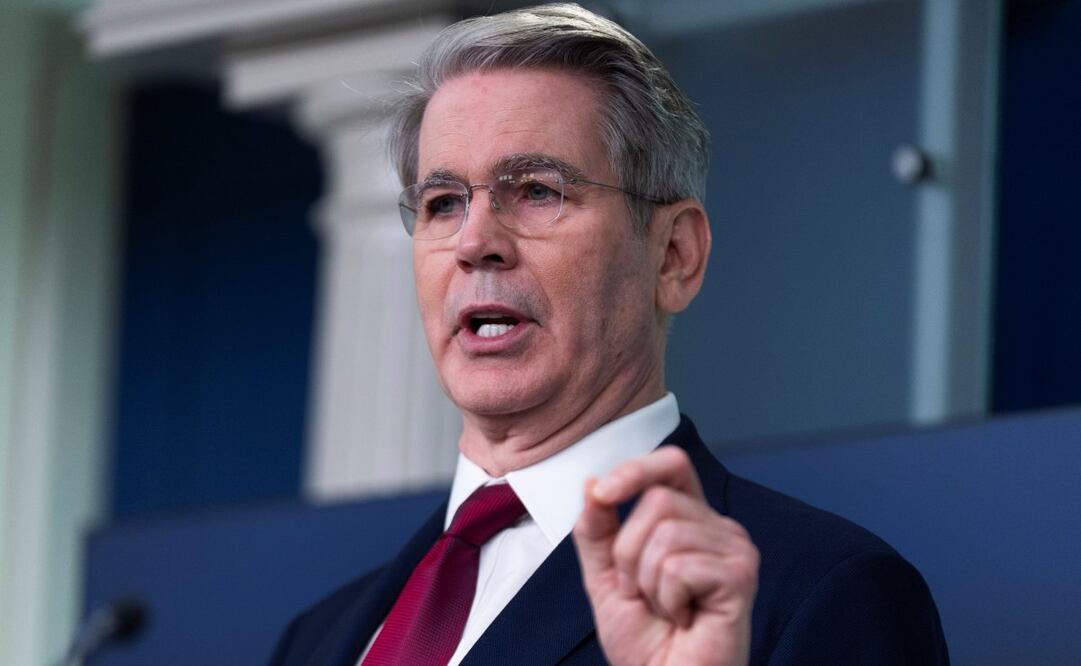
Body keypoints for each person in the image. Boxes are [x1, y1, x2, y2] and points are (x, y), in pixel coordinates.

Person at [269, 4, 949, 664]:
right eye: (443, 203)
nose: (474, 242)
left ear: (673, 256)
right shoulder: (316, 640)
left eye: (537, 190)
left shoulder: (813, 594)